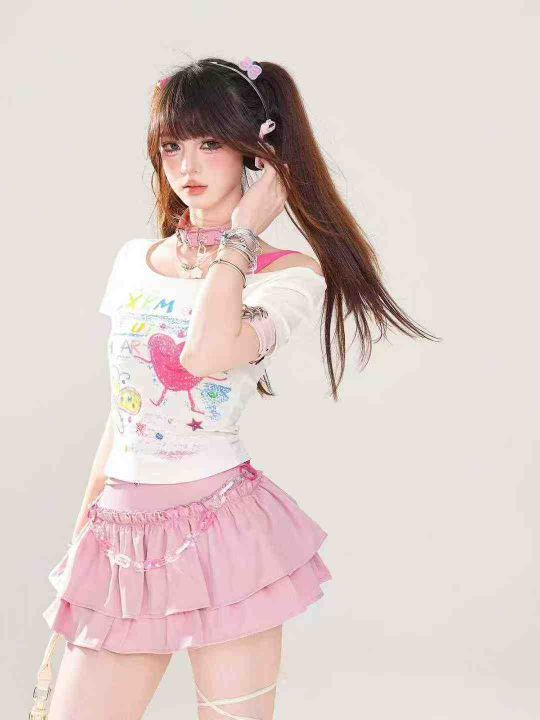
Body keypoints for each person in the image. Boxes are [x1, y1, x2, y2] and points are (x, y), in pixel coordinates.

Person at [30, 56, 439, 720]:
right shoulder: (135, 263)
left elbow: (206, 353)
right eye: (172, 145)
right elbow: (122, 415)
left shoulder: (289, 275)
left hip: (224, 533)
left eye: (211, 143)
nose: (187, 165)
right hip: (121, 532)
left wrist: (243, 236)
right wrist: (83, 537)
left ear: (253, 153)